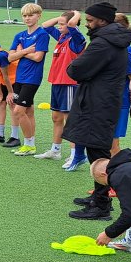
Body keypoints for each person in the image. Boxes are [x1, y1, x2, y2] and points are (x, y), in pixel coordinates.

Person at [64, 2, 131, 221]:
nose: (87, 24)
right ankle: (99, 196)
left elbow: (74, 69)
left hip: (98, 104)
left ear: (103, 21)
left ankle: (102, 205)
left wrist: (82, 69)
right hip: (103, 102)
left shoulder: (103, 44)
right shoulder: (113, 40)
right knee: (98, 150)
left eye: (91, 20)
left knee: (98, 154)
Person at [37, 10, 85, 163]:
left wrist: (76, 14)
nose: (59, 26)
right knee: (56, 117)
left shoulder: (76, 40)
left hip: (69, 84)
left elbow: (71, 24)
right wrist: (61, 18)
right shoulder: (62, 37)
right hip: (57, 82)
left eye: (62, 24)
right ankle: (56, 150)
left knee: (70, 119)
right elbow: (44, 26)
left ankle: (74, 155)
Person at [6, 3, 49, 156]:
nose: (28, 18)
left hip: (32, 78)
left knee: (18, 111)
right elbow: (10, 57)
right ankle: (30, 145)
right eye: (25, 15)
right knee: (29, 111)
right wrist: (26, 51)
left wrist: (21, 52)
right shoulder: (19, 35)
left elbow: (38, 57)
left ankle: (29, 144)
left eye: (31, 15)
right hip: (20, 77)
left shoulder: (42, 34)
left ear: (38, 16)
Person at [111, 13, 131, 156]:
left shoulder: (126, 51)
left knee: (112, 143)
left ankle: (115, 174)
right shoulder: (107, 47)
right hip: (104, 99)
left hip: (118, 101)